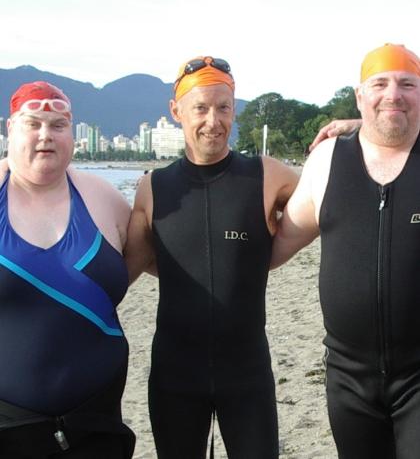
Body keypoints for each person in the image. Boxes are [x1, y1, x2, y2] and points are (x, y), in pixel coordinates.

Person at [124, 56, 359, 458]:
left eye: (223, 107)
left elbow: (339, 198)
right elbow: (130, 268)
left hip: (246, 373)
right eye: (200, 108)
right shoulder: (153, 188)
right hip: (174, 374)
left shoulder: (267, 175)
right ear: (176, 110)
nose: (213, 120)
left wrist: (362, 128)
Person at [271, 43, 420, 458]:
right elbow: (280, 243)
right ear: (360, 95)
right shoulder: (327, 162)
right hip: (348, 378)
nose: (393, 94)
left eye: (407, 84)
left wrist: (373, 119)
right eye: (380, 84)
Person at [0, 81, 135, 458]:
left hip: (97, 424)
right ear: (10, 129)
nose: (46, 135)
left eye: (58, 125)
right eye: (33, 123)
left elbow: (147, 261)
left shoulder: (105, 199)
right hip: (8, 427)